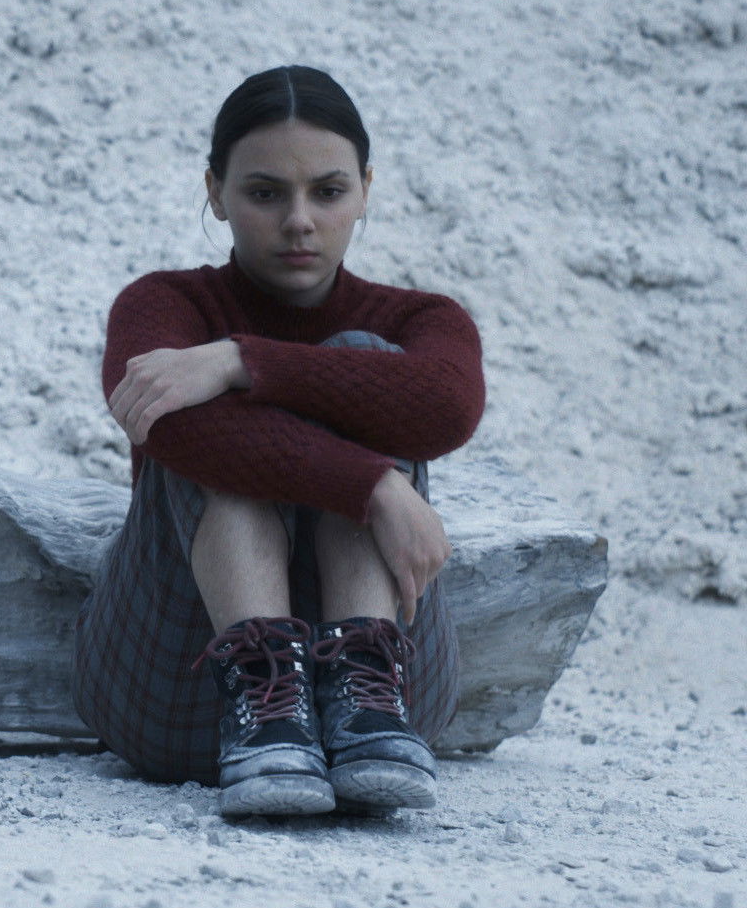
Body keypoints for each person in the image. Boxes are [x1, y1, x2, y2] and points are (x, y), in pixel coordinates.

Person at [72, 66, 485, 819]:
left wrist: (239, 359)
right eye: (265, 193)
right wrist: (373, 485)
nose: (299, 221)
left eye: (328, 192)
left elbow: (448, 407)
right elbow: (160, 417)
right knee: (195, 408)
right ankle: (266, 708)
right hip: (174, 691)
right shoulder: (162, 305)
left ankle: (363, 695)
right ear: (215, 191)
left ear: (365, 190)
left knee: (363, 356)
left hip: (393, 713)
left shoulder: (422, 321)